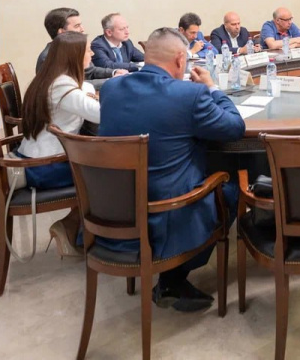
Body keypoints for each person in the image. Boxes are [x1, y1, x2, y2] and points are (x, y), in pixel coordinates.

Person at [96, 28, 245, 312]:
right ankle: (173, 277)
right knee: (232, 187)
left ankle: (170, 276)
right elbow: (234, 127)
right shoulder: (190, 94)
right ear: (180, 59)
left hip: (113, 208)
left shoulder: (111, 89)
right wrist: (212, 87)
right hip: (166, 213)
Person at [18, 31, 100, 257]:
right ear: (75, 56)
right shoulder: (62, 86)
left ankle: (74, 227)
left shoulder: (53, 78)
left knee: (100, 169)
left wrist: (88, 92)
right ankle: (78, 231)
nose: (92, 54)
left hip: (35, 158)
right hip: (44, 167)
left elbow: (84, 88)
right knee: (107, 174)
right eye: (88, 50)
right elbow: (100, 114)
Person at [37, 8, 126, 84]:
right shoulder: (48, 58)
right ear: (62, 32)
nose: (82, 29)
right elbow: (72, 86)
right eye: (77, 26)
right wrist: (111, 81)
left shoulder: (78, 49)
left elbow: (90, 71)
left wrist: (114, 72)